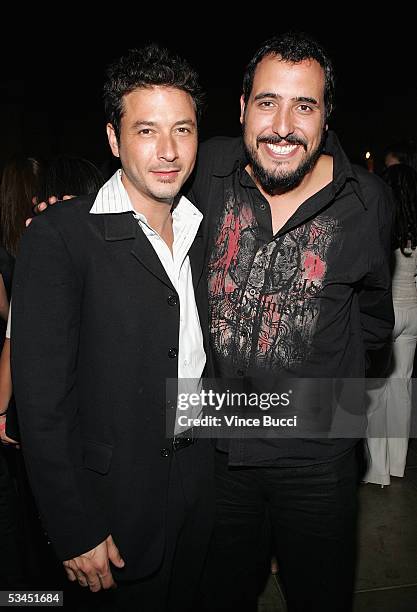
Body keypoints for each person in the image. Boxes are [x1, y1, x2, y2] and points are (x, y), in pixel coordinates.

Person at [188, 32, 394, 612]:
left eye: (304, 106)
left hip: (320, 457)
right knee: (217, 596)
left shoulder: (368, 201)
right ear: (242, 107)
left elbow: (375, 321)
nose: (283, 125)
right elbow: (137, 187)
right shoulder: (206, 171)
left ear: (326, 117)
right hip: (218, 444)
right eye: (267, 102)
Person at [11, 45, 213, 612]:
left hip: (201, 491)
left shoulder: (206, 230)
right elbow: (42, 402)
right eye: (146, 130)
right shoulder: (61, 237)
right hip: (111, 505)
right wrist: (73, 525)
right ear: (112, 138)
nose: (169, 151)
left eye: (183, 129)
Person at [365, 163, 417, 486]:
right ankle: (398, 465)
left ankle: (377, 471)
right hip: (414, 312)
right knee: (402, 386)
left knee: (375, 391)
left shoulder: (383, 221)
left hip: (387, 311)